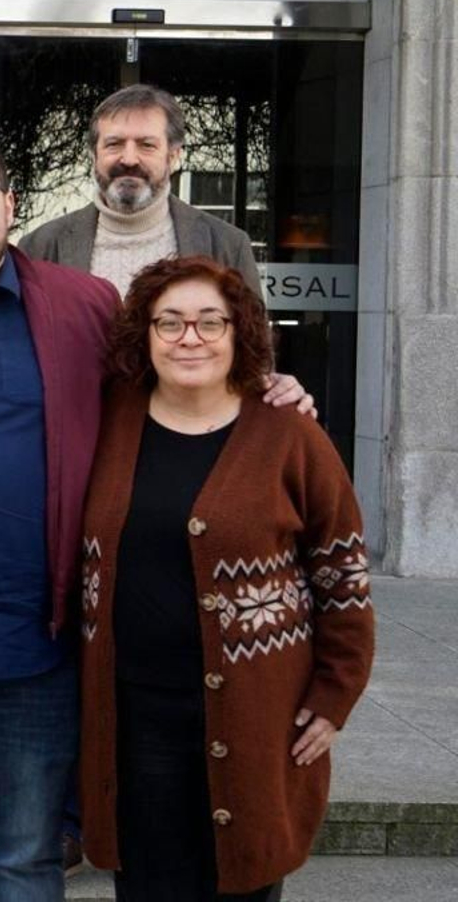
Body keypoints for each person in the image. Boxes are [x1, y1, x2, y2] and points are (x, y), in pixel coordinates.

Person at [0, 121, 313, 902]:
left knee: (24, 862)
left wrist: (264, 393)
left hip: (32, 653)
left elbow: (176, 391)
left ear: (10, 203)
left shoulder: (85, 309)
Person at [78, 256, 374, 902]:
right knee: (147, 883)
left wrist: (334, 694)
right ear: (145, 334)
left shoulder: (289, 432)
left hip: (256, 714)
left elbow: (343, 574)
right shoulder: (110, 418)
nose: (191, 337)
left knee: (241, 879)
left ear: (240, 333)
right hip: (135, 718)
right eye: (171, 322)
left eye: (211, 322)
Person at [19, 83, 263, 297]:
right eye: (114, 144)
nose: (129, 159)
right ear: (94, 155)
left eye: (147, 145)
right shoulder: (40, 247)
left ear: (173, 156)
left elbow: (253, 346)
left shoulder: (228, 246)